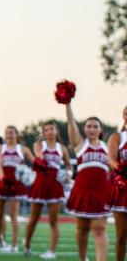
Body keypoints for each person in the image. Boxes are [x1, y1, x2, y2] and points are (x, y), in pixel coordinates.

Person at [65, 99, 110, 261]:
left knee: (99, 229)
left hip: (101, 191)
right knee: (82, 229)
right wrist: (67, 104)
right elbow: (71, 123)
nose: (91, 129)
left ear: (100, 130)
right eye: (88, 126)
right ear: (84, 129)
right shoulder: (80, 145)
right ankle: (83, 258)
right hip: (82, 190)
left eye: (95, 126)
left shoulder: (108, 147)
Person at [24, 122, 71, 259]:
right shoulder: (39, 144)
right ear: (43, 133)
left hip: (55, 184)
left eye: (52, 129)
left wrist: (67, 174)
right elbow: (39, 157)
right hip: (40, 182)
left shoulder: (62, 148)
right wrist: (41, 158)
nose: (49, 131)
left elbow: (69, 166)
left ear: (56, 131)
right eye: (46, 130)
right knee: (34, 218)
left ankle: (52, 251)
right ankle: (27, 244)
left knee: (53, 221)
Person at [0, 125, 34, 253]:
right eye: (7, 133)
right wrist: (2, 179)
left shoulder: (23, 149)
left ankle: (14, 245)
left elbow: (35, 162)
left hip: (17, 183)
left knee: (13, 214)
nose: (9, 135)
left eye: (11, 132)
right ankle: (0, 240)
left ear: (17, 134)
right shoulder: (0, 147)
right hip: (3, 181)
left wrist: (29, 173)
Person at [108, 105, 127, 261]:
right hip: (123, 188)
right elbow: (111, 159)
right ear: (124, 116)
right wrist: (121, 168)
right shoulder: (117, 137)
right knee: (121, 236)